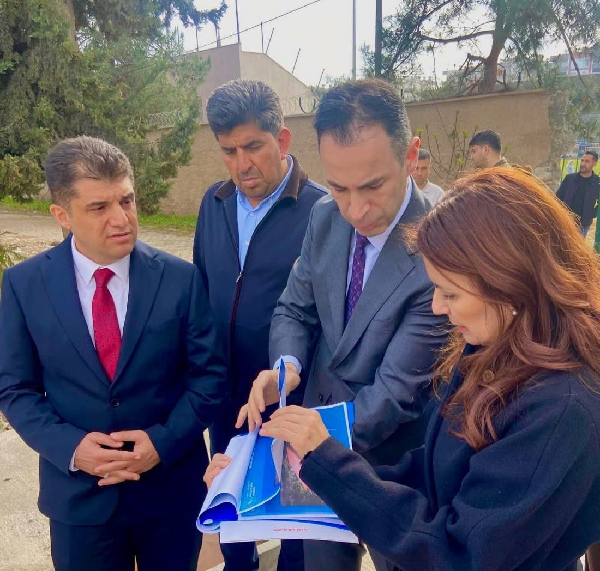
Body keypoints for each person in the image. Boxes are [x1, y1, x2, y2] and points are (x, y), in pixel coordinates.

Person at [240, 167, 600, 571]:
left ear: (511, 284)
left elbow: (459, 554)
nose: (437, 307)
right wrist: (296, 477)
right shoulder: (497, 346)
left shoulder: (560, 410)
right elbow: (435, 468)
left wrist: (328, 461)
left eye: (450, 293)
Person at [236, 79, 448, 570]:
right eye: (339, 187)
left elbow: (395, 394)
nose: (356, 209)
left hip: (397, 469)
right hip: (314, 454)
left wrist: (308, 441)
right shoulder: (325, 218)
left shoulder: (440, 246)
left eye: (372, 186)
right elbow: (295, 308)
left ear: (410, 155)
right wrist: (286, 368)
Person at [0, 137, 227, 571]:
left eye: (127, 200)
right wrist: (72, 448)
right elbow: (15, 389)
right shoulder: (25, 285)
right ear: (62, 215)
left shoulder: (180, 279)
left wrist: (162, 442)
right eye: (99, 207)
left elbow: (210, 377)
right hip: (79, 501)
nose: (122, 219)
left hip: (169, 494)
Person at [193, 79, 326, 571]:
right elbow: (201, 289)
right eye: (229, 151)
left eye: (253, 146)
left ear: (282, 140)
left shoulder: (322, 212)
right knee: (232, 507)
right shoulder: (214, 203)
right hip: (227, 395)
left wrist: (293, 376)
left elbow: (326, 316)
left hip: (291, 395)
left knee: (294, 517)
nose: (241, 164)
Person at [557, 150, 600, 237]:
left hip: (583, 225)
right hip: (565, 221)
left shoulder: (597, 183)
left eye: (587, 161)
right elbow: (558, 197)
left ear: (594, 163)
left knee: (577, 246)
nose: (583, 163)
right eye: (582, 160)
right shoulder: (569, 179)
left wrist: (591, 214)